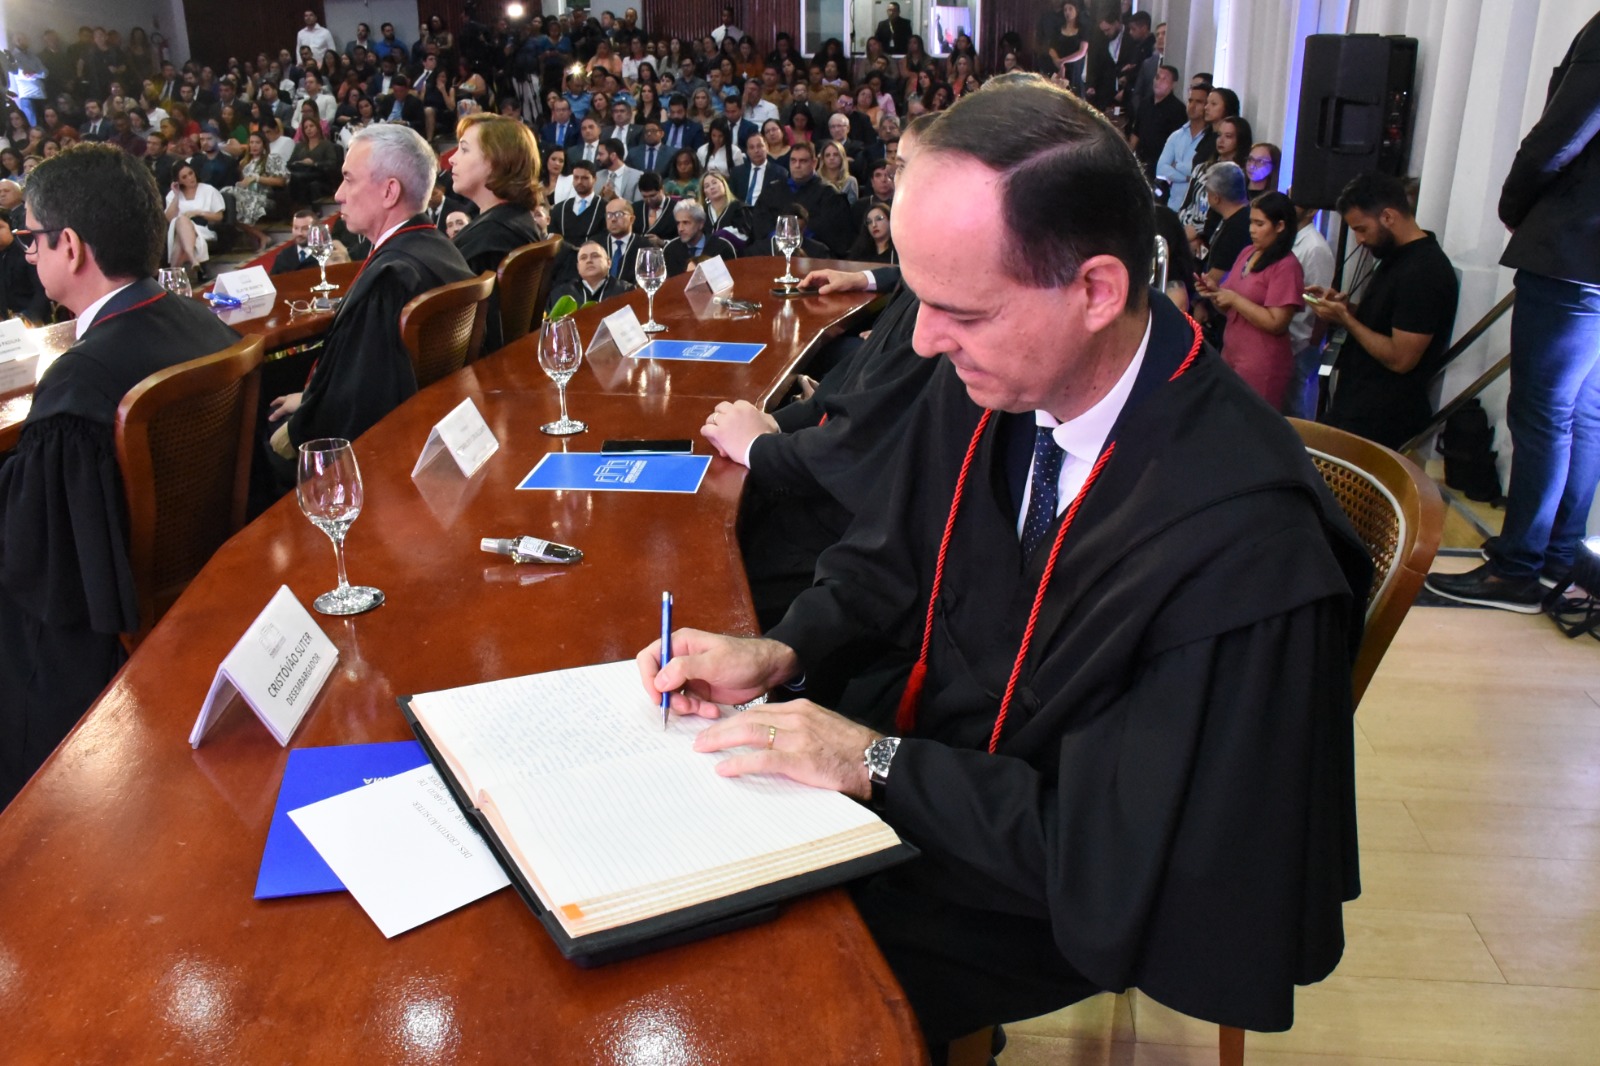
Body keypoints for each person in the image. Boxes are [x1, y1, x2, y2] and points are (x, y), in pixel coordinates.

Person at [639, 78, 1368, 1054]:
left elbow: (1124, 853)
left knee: (730, 984)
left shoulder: (1245, 544)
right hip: (930, 770)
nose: (926, 338)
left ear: (1097, 289)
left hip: (1046, 882)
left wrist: (870, 760)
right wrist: (780, 651)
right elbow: (889, 561)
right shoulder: (999, 374)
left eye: (961, 310)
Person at [0, 144, 241, 810]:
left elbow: (37, 553)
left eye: (31, 241)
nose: (30, 256)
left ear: (69, 245)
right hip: (199, 584)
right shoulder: (200, 321)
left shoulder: (81, 379)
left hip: (113, 636)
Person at [1426, 12, 1600, 612]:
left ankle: (1518, 568)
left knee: (1546, 416)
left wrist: (1516, 204)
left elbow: (1560, 134)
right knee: (1585, 415)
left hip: (1575, 248)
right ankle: (1555, 558)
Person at [266, 124, 473, 469]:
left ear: (389, 191)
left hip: (368, 462)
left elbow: (359, 409)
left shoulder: (392, 278)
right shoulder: (438, 249)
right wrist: (311, 397)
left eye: (348, 179)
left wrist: (303, 416)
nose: (338, 195)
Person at [1310, 172, 1459, 451]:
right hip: (1357, 404)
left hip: (1382, 418)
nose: (1359, 240)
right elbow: (1381, 322)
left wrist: (1345, 319)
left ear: (1388, 217)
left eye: (1362, 228)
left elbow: (1401, 358)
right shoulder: (1395, 257)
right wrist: (1346, 309)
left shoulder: (1424, 271)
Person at [1195, 191, 1304, 409]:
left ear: (1280, 226)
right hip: (1232, 353)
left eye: (1259, 224)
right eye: (1251, 222)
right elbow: (1229, 309)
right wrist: (1215, 293)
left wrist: (1234, 299)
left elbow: (1276, 322)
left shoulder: (1286, 266)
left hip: (1262, 363)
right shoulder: (1247, 252)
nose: (1252, 230)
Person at [449, 114, 543, 354]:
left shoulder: (492, 236)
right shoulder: (513, 220)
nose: (451, 159)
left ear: (496, 162)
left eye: (464, 150)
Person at [1283, 193, 1336, 419]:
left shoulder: (1315, 248)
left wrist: (1311, 345)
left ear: (1312, 211)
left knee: (1294, 408)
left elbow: (1320, 302)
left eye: (1296, 200)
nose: (1288, 204)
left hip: (1301, 341)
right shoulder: (1287, 238)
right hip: (1285, 338)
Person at [163, 162, 225, 276]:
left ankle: (172, 276)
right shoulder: (173, 195)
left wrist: (199, 213)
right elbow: (168, 218)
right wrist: (176, 196)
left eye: (191, 173)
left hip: (202, 229)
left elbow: (219, 216)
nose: (190, 178)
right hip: (177, 231)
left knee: (181, 237)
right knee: (181, 221)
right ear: (179, 181)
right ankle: (192, 259)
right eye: (184, 177)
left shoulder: (208, 190)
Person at [233, 131, 288, 251]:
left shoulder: (272, 158)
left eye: (257, 142)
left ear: (264, 144)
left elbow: (281, 181)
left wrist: (257, 179)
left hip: (265, 196)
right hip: (245, 195)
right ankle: (261, 238)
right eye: (251, 142)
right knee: (228, 199)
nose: (254, 145)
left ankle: (261, 237)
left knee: (234, 202)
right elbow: (244, 183)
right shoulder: (244, 163)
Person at [1130, 65, 1186, 179]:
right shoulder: (1145, 103)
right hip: (1141, 161)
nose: (1158, 81)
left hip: (1161, 164)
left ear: (1173, 84)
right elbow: (1136, 133)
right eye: (1157, 77)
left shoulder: (1178, 109)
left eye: (1164, 79)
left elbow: (1179, 144)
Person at [548, 238, 635, 308]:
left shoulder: (626, 291)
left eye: (595, 256)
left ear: (609, 263)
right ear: (578, 267)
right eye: (583, 258)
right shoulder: (561, 294)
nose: (589, 261)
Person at [663, 198, 735, 275]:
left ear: (701, 224)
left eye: (686, 223)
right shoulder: (670, 250)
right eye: (678, 223)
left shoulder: (722, 247)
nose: (680, 229)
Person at [286, 115, 340, 204]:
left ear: (318, 127)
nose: (308, 129)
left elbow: (332, 163)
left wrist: (314, 163)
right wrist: (299, 162)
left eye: (311, 126)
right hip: (301, 172)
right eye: (306, 127)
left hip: (320, 176)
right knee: (294, 178)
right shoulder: (299, 146)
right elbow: (289, 163)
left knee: (301, 180)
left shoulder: (326, 144)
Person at [270, 207, 320, 274]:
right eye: (296, 228)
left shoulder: (325, 254)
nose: (299, 233)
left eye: (305, 228)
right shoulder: (283, 256)